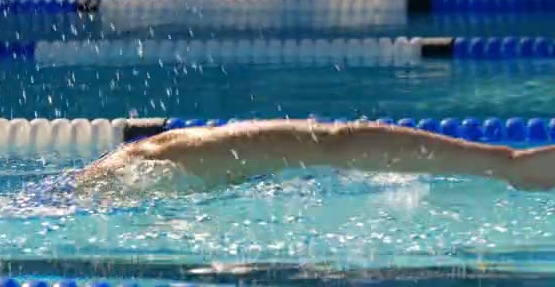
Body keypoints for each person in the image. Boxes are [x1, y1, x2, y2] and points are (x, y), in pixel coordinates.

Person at [74, 119, 555, 194]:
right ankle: (508, 165)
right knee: (326, 143)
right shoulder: (153, 160)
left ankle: (509, 165)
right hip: (140, 172)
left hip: (131, 176)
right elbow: (336, 143)